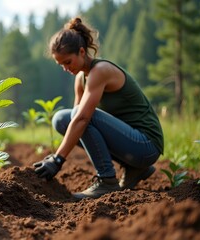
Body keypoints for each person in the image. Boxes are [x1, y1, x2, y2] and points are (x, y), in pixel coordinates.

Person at [33, 17, 164, 199]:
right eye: (60, 65)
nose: (65, 68)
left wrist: (57, 159)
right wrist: (56, 157)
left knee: (80, 115)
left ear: (81, 51)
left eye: (68, 62)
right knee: (62, 119)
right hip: (132, 146)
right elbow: (75, 123)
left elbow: (82, 118)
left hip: (146, 145)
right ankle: (135, 168)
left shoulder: (101, 71)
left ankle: (107, 181)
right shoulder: (81, 78)